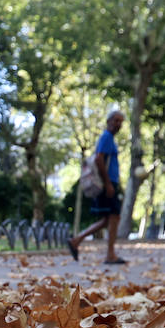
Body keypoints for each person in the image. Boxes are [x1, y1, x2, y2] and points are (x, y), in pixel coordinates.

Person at [68, 109, 127, 264]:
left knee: (109, 219)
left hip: (109, 182)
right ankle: (110, 254)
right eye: (116, 120)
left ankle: (77, 240)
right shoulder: (106, 137)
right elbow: (99, 159)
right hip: (106, 182)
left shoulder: (110, 139)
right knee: (113, 217)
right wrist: (108, 183)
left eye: (121, 121)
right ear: (108, 121)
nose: (118, 124)